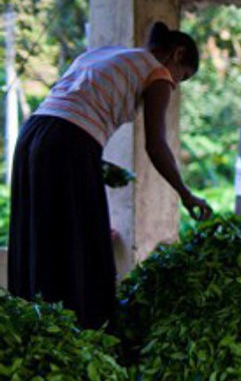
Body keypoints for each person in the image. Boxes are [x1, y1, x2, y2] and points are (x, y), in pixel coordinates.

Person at [8, 21, 213, 330]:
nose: (174, 83)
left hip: (31, 138)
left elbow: (69, 111)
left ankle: (32, 321)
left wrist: (96, 164)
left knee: (40, 231)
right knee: (86, 242)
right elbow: (156, 146)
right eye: (180, 76)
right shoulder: (157, 73)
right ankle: (86, 328)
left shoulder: (102, 54)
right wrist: (186, 195)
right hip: (70, 142)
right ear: (177, 53)